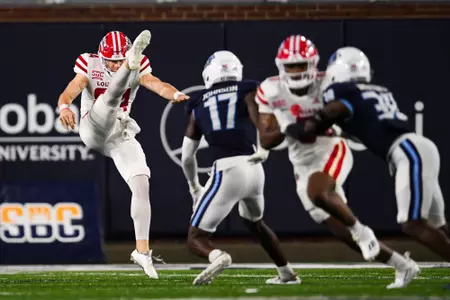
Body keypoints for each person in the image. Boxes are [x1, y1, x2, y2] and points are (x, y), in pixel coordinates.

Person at [256, 36, 420, 289]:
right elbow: (266, 140)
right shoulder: (270, 89)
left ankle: (362, 231)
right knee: (340, 230)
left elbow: (333, 120)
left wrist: (304, 125)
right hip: (300, 159)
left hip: (331, 147)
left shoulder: (329, 83)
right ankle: (402, 265)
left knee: (318, 192)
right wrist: (290, 127)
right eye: (291, 66)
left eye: (301, 65)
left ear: (313, 64)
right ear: (281, 66)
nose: (297, 71)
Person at [290, 46, 450, 264]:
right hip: (419, 147)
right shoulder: (379, 90)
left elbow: (335, 109)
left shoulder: (341, 90)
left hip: (407, 152)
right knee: (438, 224)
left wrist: (314, 123)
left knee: (412, 223)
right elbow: (364, 125)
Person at [57, 30, 189, 279]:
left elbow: (156, 84)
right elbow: (72, 89)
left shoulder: (142, 67)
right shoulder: (90, 61)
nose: (114, 65)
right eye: (113, 61)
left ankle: (142, 251)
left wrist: (174, 94)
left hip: (120, 133)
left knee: (141, 183)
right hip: (93, 126)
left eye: (121, 61)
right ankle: (131, 62)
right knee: (108, 100)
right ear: (103, 56)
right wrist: (64, 106)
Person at [181, 50, 300, 285]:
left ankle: (218, 256)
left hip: (227, 171)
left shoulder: (197, 103)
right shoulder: (249, 90)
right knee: (256, 224)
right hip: (254, 169)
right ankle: (286, 273)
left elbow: (187, 157)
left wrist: (195, 187)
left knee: (196, 239)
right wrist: (264, 149)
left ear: (208, 73)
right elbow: (264, 124)